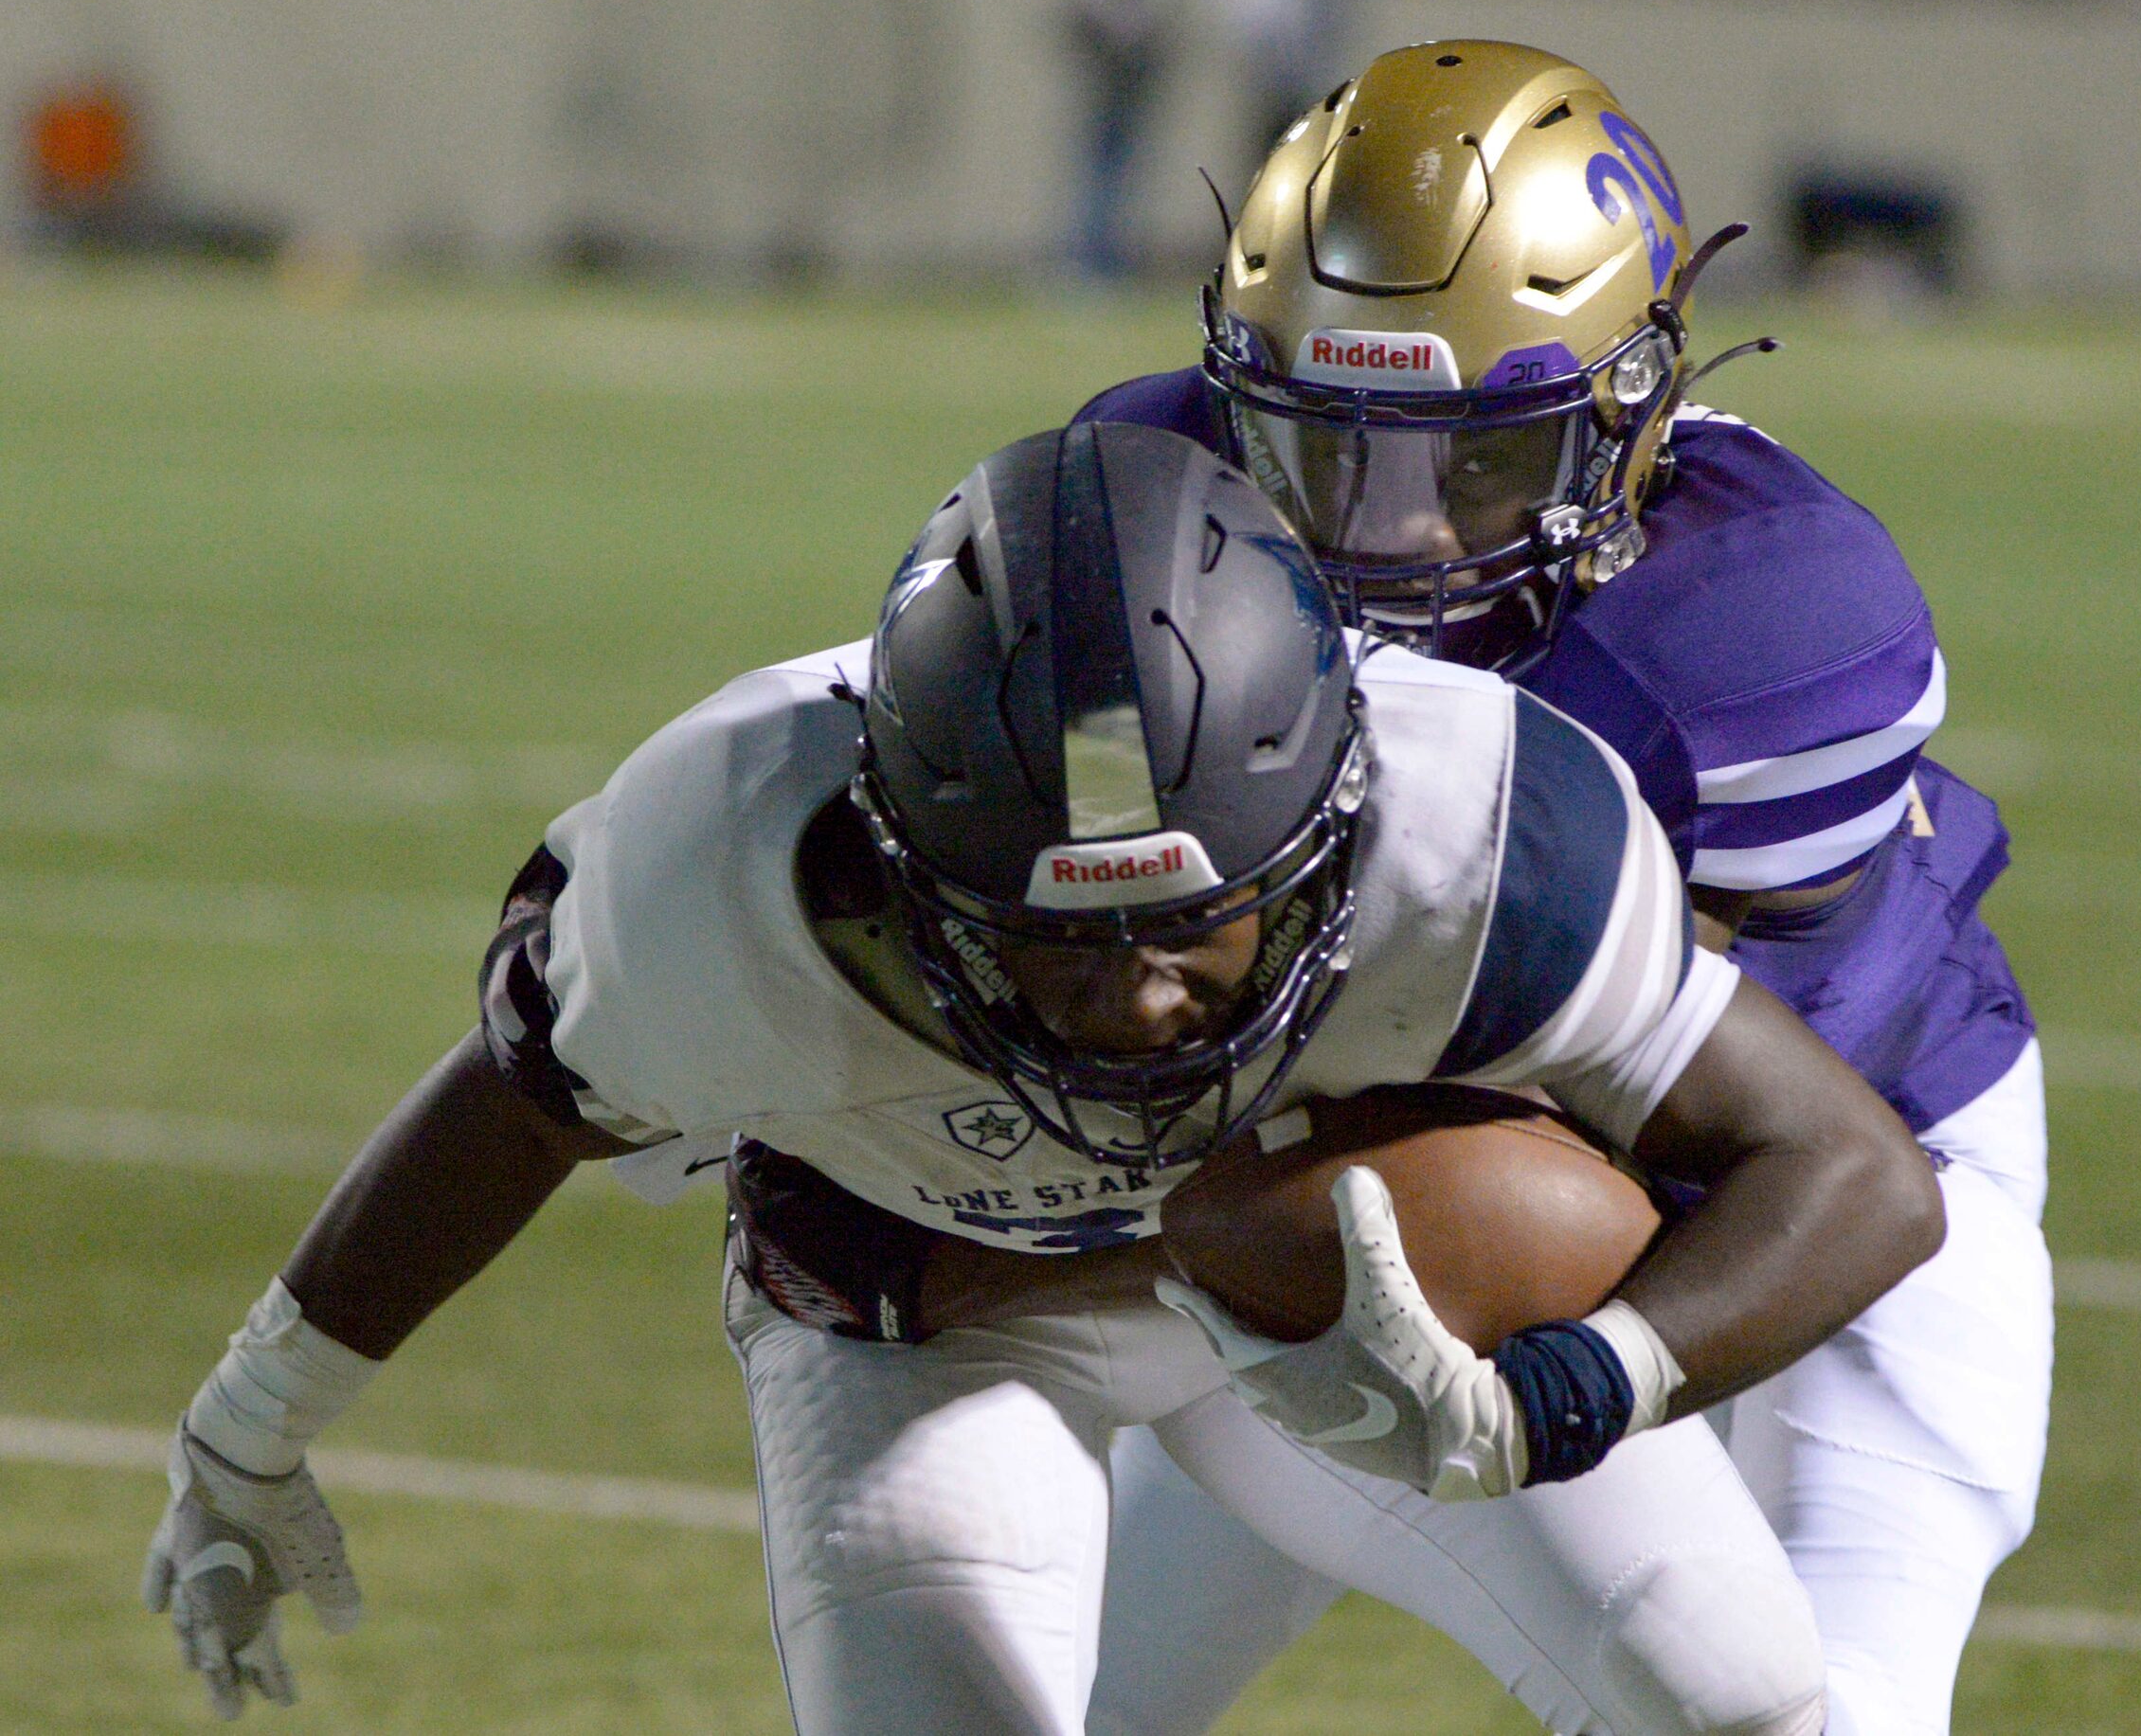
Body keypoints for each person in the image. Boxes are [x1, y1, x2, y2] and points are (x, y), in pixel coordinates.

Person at [142, 423, 1938, 1734]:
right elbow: (511, 1110)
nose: (1137, 1002)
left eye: (1197, 922)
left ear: (1327, 831)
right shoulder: (727, 875)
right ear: (903, 857)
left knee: (1750, 1703)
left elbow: (1852, 1172)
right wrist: (246, 1428)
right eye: (1052, 937)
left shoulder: (1488, 838)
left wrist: (1563, 1391)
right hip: (934, 1322)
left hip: (1367, 1306)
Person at [1074, 41, 2052, 1736]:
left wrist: (1565, 1382)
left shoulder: (1762, 622)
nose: (1391, 539)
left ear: (1633, 412)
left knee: (1820, 1714)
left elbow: (1753, 1147)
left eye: (1472, 464)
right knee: (1051, 1696)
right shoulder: (1142, 510)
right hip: (1364, 1176)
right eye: (1324, 449)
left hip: (1822, 1173)